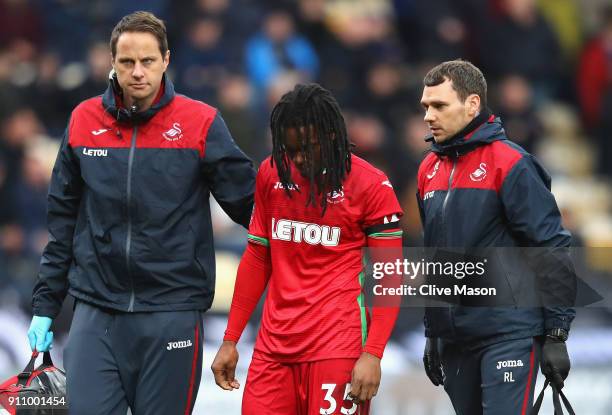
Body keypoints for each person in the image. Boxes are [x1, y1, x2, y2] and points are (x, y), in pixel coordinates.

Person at [27, 11, 255, 415]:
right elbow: (62, 224)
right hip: (96, 311)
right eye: (126, 62)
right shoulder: (82, 121)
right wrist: (46, 307)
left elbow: (252, 208)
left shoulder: (200, 122)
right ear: (110, 63)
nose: (137, 72)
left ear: (166, 60)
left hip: (172, 311)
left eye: (147, 61)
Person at [211, 83, 403, 414]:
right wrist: (231, 339)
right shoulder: (271, 172)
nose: (298, 159)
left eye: (307, 148)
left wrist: (372, 353)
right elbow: (258, 257)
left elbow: (390, 276)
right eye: (290, 149)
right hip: (273, 346)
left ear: (331, 135)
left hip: (338, 346)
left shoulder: (370, 184)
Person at [417, 60, 577, 414]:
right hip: (455, 339)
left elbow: (551, 247)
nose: (429, 116)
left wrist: (556, 333)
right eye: (426, 106)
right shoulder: (428, 168)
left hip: (509, 333)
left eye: (439, 105)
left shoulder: (511, 163)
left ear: (472, 104)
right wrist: (433, 331)